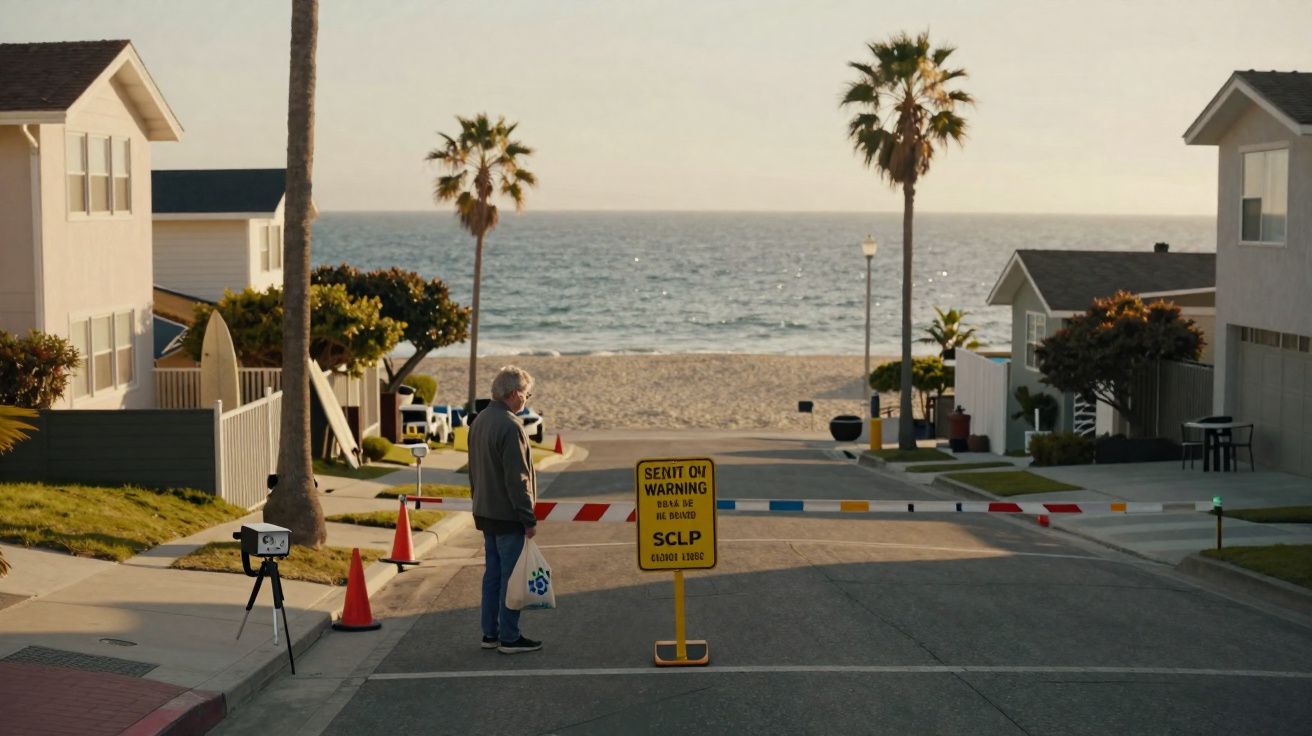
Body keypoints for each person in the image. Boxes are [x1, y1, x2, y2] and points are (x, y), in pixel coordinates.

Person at [469, 365, 542, 654]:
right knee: (510, 579)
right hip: (507, 514)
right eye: (526, 394)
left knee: (493, 576)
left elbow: (473, 471)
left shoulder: (480, 421)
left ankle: (490, 633)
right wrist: (528, 518)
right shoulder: (510, 426)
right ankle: (510, 637)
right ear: (513, 394)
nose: (527, 399)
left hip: (485, 511)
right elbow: (517, 479)